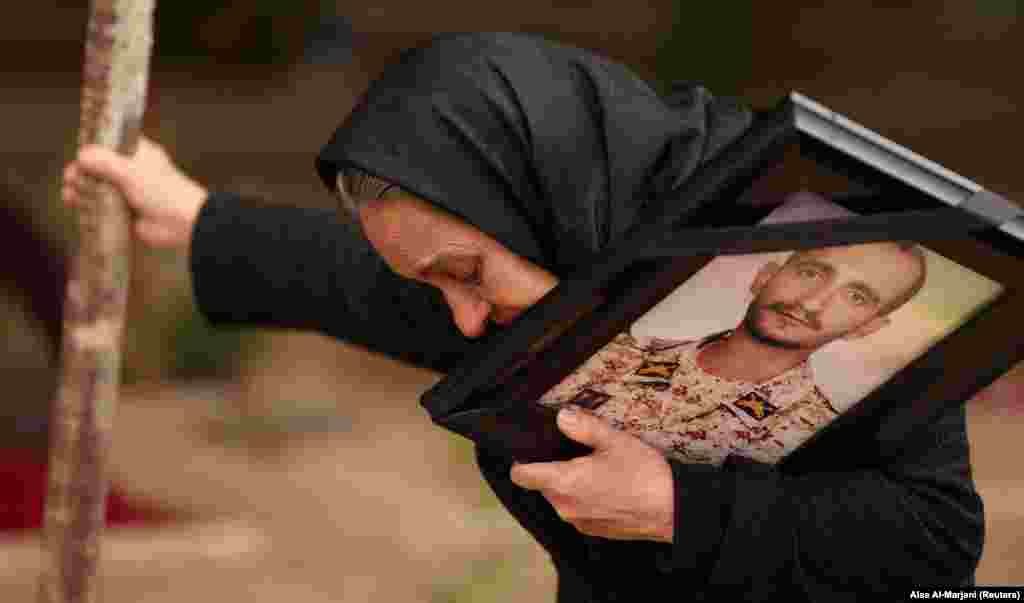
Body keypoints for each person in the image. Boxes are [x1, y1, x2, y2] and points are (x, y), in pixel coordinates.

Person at [62, 32, 983, 600]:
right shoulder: (549, 251)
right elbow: (371, 280)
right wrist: (193, 217)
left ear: (541, 196)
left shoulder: (815, 234)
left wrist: (681, 509)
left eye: (466, 273)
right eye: (439, 288)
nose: (461, 320)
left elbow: (934, 540)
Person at [539, 242, 928, 465]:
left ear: (867, 327)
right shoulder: (611, 354)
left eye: (856, 296)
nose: (812, 302)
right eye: (811, 272)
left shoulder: (819, 443)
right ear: (765, 277)